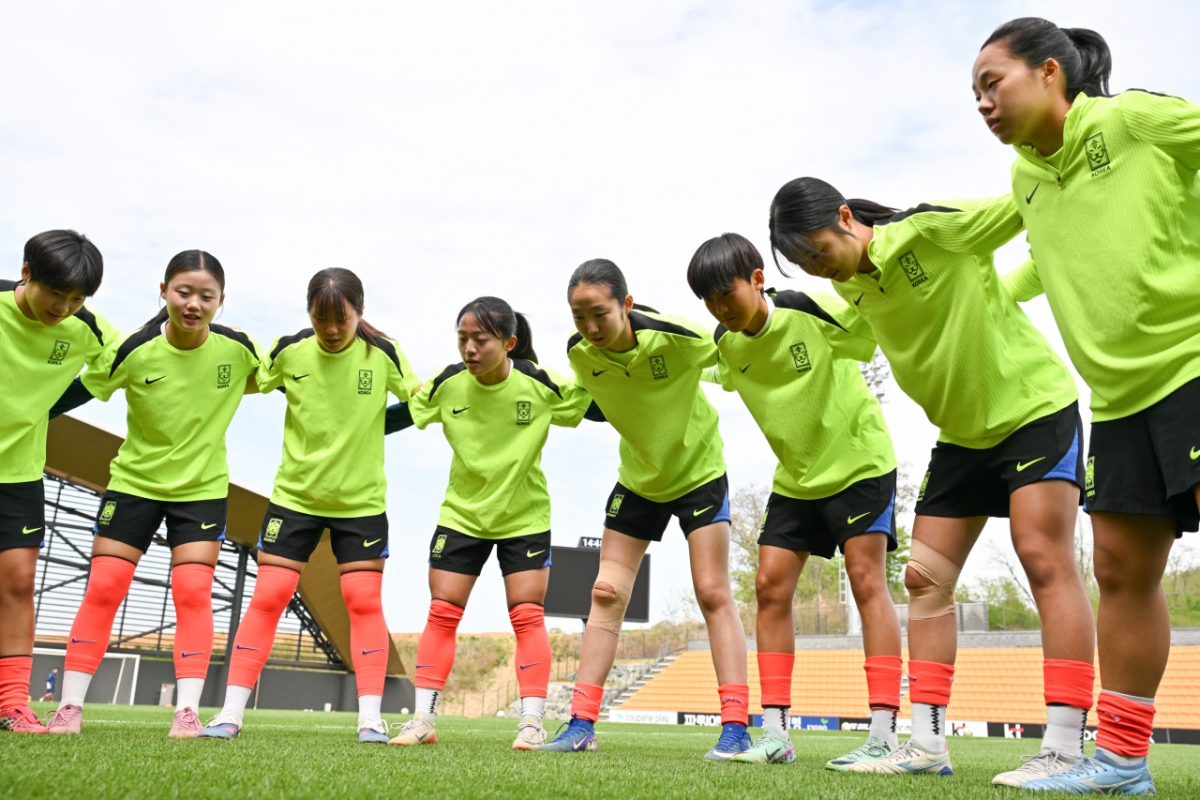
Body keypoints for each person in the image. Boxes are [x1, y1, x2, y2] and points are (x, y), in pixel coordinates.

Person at [769, 178, 1095, 784]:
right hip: (962, 438)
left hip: (1032, 410)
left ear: (845, 218)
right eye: (806, 263)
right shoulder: (856, 289)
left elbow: (1023, 208)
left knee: (1044, 558)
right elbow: (846, 340)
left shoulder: (929, 230)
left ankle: (1066, 746)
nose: (819, 269)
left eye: (818, 251)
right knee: (923, 579)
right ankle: (925, 744)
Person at [971, 18, 1200, 794]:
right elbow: (1042, 258)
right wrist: (971, 313)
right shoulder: (1025, 179)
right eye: (975, 93)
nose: (982, 103)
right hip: (1119, 397)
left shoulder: (1132, 120)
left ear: (1047, 73)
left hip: (1194, 361)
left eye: (990, 83)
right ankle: (1124, 763)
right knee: (1120, 568)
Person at [686, 233, 903, 768]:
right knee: (769, 586)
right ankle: (777, 733)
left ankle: (883, 734)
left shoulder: (807, 310)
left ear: (758, 280)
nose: (719, 309)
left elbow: (869, 334)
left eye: (725, 295)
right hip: (797, 478)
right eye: (708, 302)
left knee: (867, 582)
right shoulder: (728, 342)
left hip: (858, 463)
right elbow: (714, 371)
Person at [538, 259, 750, 760]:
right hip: (638, 479)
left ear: (626, 305)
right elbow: (594, 401)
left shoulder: (676, 336)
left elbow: (733, 353)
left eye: (600, 314)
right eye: (578, 316)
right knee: (606, 592)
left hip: (698, 473)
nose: (590, 328)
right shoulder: (580, 353)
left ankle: (737, 726)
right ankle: (581, 724)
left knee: (712, 590)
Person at [44, 251, 260, 738]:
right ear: (162, 291)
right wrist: (27, 412)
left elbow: (288, 375)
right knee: (103, 589)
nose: (193, 304)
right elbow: (81, 390)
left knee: (192, 593)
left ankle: (186, 711)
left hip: (201, 491)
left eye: (206, 297)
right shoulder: (134, 349)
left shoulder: (240, 349)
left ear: (221, 302)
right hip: (134, 486)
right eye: (184, 292)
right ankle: (70, 708)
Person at [199, 268, 420, 744]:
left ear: (360, 313)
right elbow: (245, 380)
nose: (332, 330)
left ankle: (370, 718)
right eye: (321, 319)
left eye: (341, 319)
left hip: (359, 503)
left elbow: (421, 403)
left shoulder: (384, 353)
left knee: (363, 604)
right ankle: (229, 713)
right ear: (309, 315)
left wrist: (369, 427)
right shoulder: (290, 350)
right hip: (294, 499)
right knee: (268, 599)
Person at [385, 297, 593, 750]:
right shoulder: (448, 383)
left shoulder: (540, 384)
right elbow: (404, 412)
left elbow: (594, 403)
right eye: (462, 339)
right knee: (441, 613)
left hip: (524, 516)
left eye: (480, 339)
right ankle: (422, 720)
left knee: (526, 616)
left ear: (509, 342)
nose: (469, 349)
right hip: (462, 515)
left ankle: (531, 723)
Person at [0, 231, 115, 735]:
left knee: (19, 583)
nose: (65, 308)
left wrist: (46, 407)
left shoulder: (85, 327)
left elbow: (128, 360)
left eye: (78, 299)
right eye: (56, 294)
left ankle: (10, 703)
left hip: (19, 472)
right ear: (27, 273)